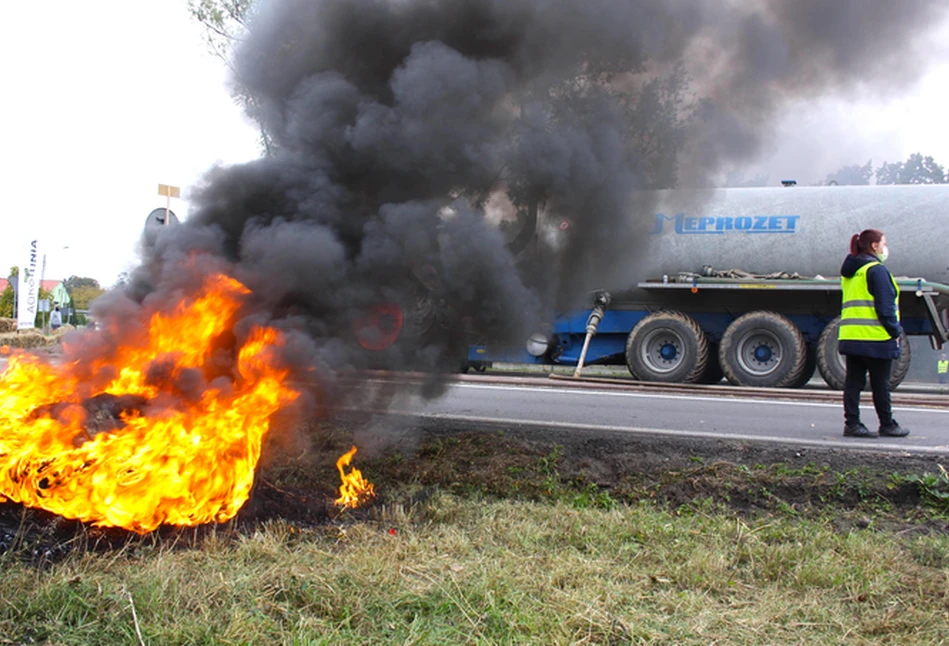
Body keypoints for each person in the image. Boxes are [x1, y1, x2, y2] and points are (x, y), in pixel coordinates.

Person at [837, 229, 909, 438]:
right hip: (875, 337)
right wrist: (895, 332)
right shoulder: (877, 271)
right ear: (874, 246)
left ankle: (852, 423)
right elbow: (885, 308)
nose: (886, 248)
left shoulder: (851, 272)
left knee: (853, 382)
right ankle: (887, 424)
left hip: (852, 336)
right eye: (883, 243)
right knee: (880, 384)